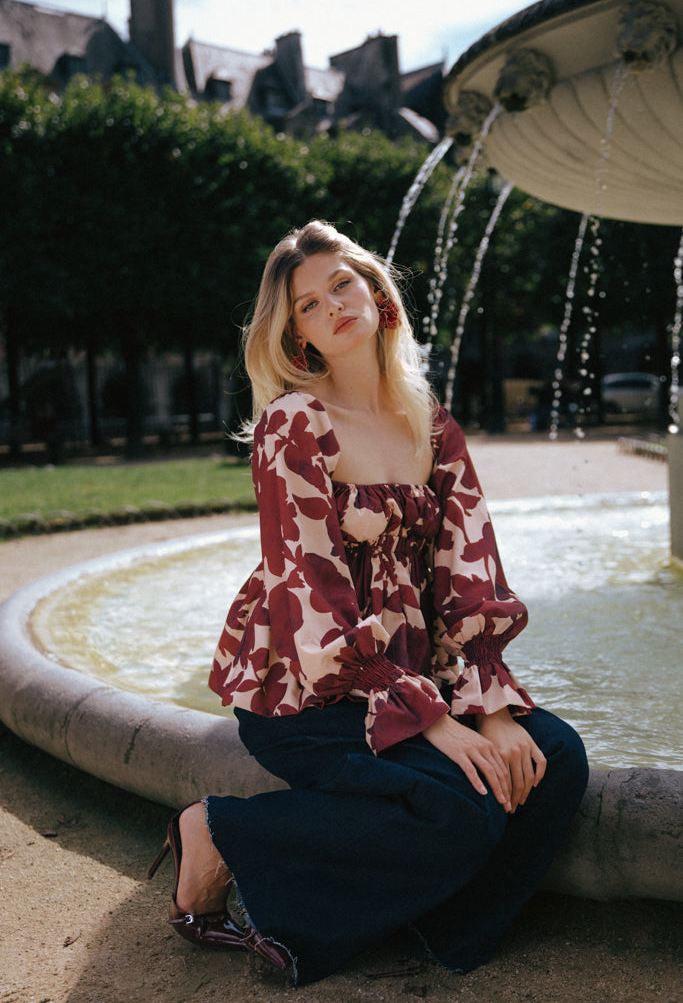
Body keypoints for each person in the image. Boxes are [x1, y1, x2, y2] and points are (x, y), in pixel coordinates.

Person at [148, 220, 589, 986]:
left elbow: (468, 573)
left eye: (341, 285)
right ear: (297, 335)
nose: (332, 308)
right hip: (311, 692)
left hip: (417, 678)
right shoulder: (295, 423)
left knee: (554, 755)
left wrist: (484, 708)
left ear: (376, 292)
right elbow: (308, 594)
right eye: (309, 306)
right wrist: (432, 721)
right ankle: (219, 833)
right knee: (454, 803)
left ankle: (437, 925)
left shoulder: (431, 425)